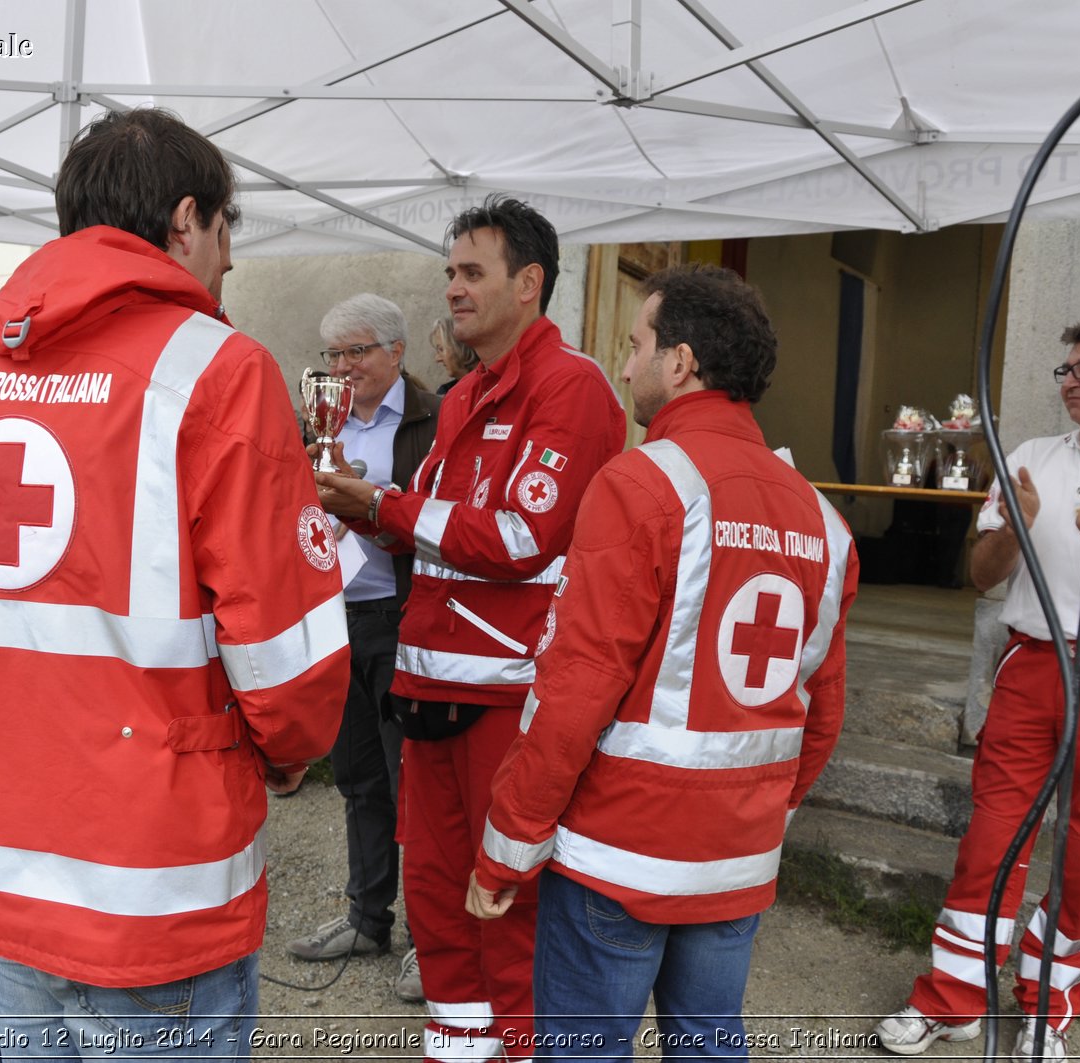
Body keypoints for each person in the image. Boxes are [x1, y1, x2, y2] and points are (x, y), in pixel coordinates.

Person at [0, 106, 349, 1055]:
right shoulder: (218, 374)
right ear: (187, 220)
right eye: (227, 230)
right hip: (160, 891)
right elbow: (288, 675)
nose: (230, 260)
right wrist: (285, 753)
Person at [467, 264, 858, 1060]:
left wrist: (509, 839)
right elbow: (823, 708)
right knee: (711, 1047)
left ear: (679, 363)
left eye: (637, 344)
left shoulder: (642, 483)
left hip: (620, 853)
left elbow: (574, 690)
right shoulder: (825, 519)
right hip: (735, 857)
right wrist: (759, 817)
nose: (624, 364)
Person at [315, 194, 626, 1062]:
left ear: (529, 284)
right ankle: (456, 1044)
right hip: (430, 683)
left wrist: (382, 501)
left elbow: (523, 540)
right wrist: (361, 507)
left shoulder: (572, 390)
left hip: (508, 695)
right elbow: (439, 535)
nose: (451, 288)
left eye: (470, 272)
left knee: (507, 904)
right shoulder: (463, 399)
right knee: (440, 898)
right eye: (449, 271)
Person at [876, 317, 1080, 1062]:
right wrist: (1015, 528)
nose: (1070, 381)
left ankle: (1047, 1009)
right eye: (1065, 370)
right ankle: (952, 999)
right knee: (992, 834)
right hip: (1029, 664)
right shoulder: (1028, 458)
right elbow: (982, 576)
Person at [285, 294, 441, 1006]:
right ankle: (366, 917)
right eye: (333, 356)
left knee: (416, 784)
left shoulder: (434, 420)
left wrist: (365, 499)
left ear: (396, 352)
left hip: (405, 616)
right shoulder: (321, 418)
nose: (342, 367)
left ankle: (429, 943)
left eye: (356, 353)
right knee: (357, 778)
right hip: (336, 615)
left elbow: (439, 521)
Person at [430, 315, 479, 396]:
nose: (437, 359)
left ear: (460, 346)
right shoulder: (446, 393)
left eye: (441, 349)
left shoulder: (492, 387)